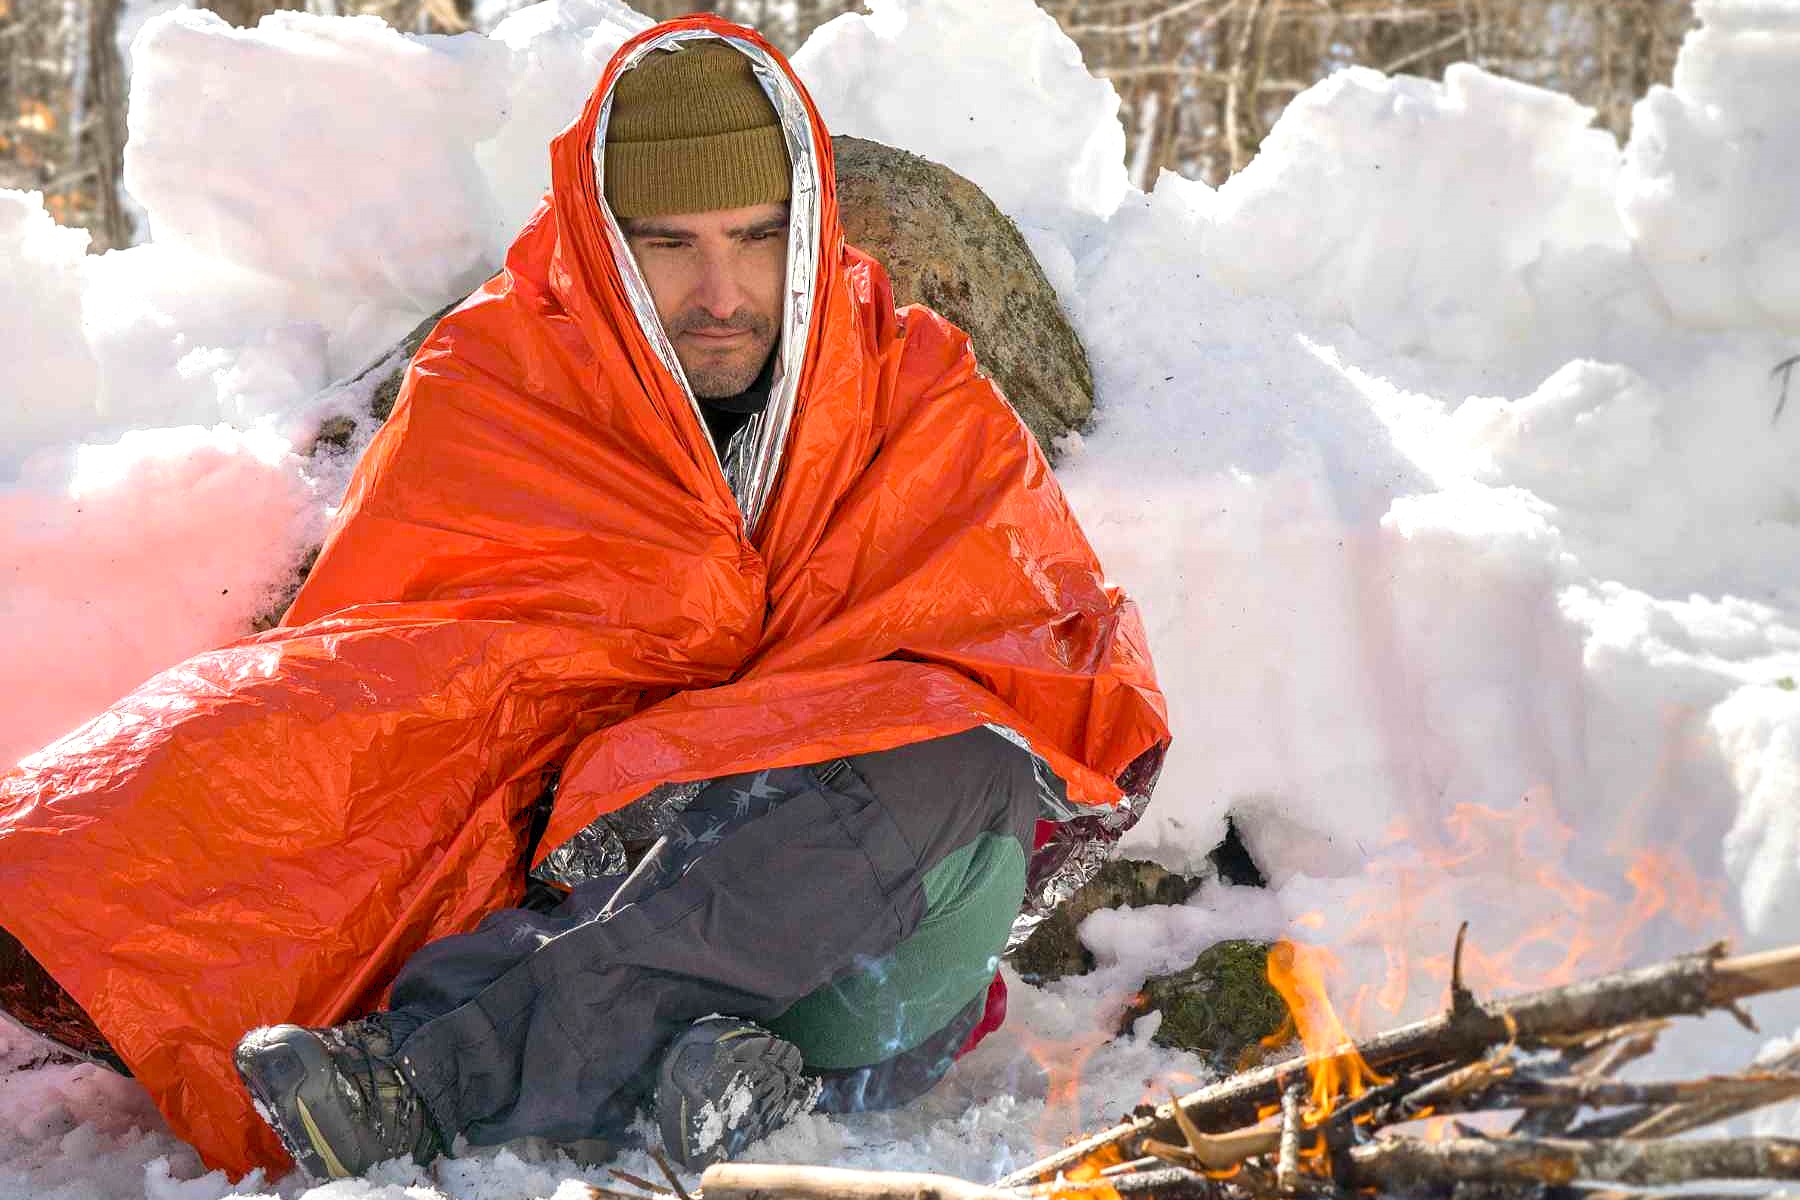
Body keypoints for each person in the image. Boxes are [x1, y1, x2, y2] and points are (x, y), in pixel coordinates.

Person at [0, 15, 1167, 1184]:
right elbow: (402, 663)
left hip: (853, 917)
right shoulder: (505, 375)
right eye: (669, 243)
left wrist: (735, 725)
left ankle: (429, 1082)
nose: (722, 292)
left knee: (964, 762)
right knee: (230, 737)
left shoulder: (911, 388)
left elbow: (1034, 651)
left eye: (756, 238)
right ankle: (703, 1076)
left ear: (806, 227)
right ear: (603, 241)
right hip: (573, 873)